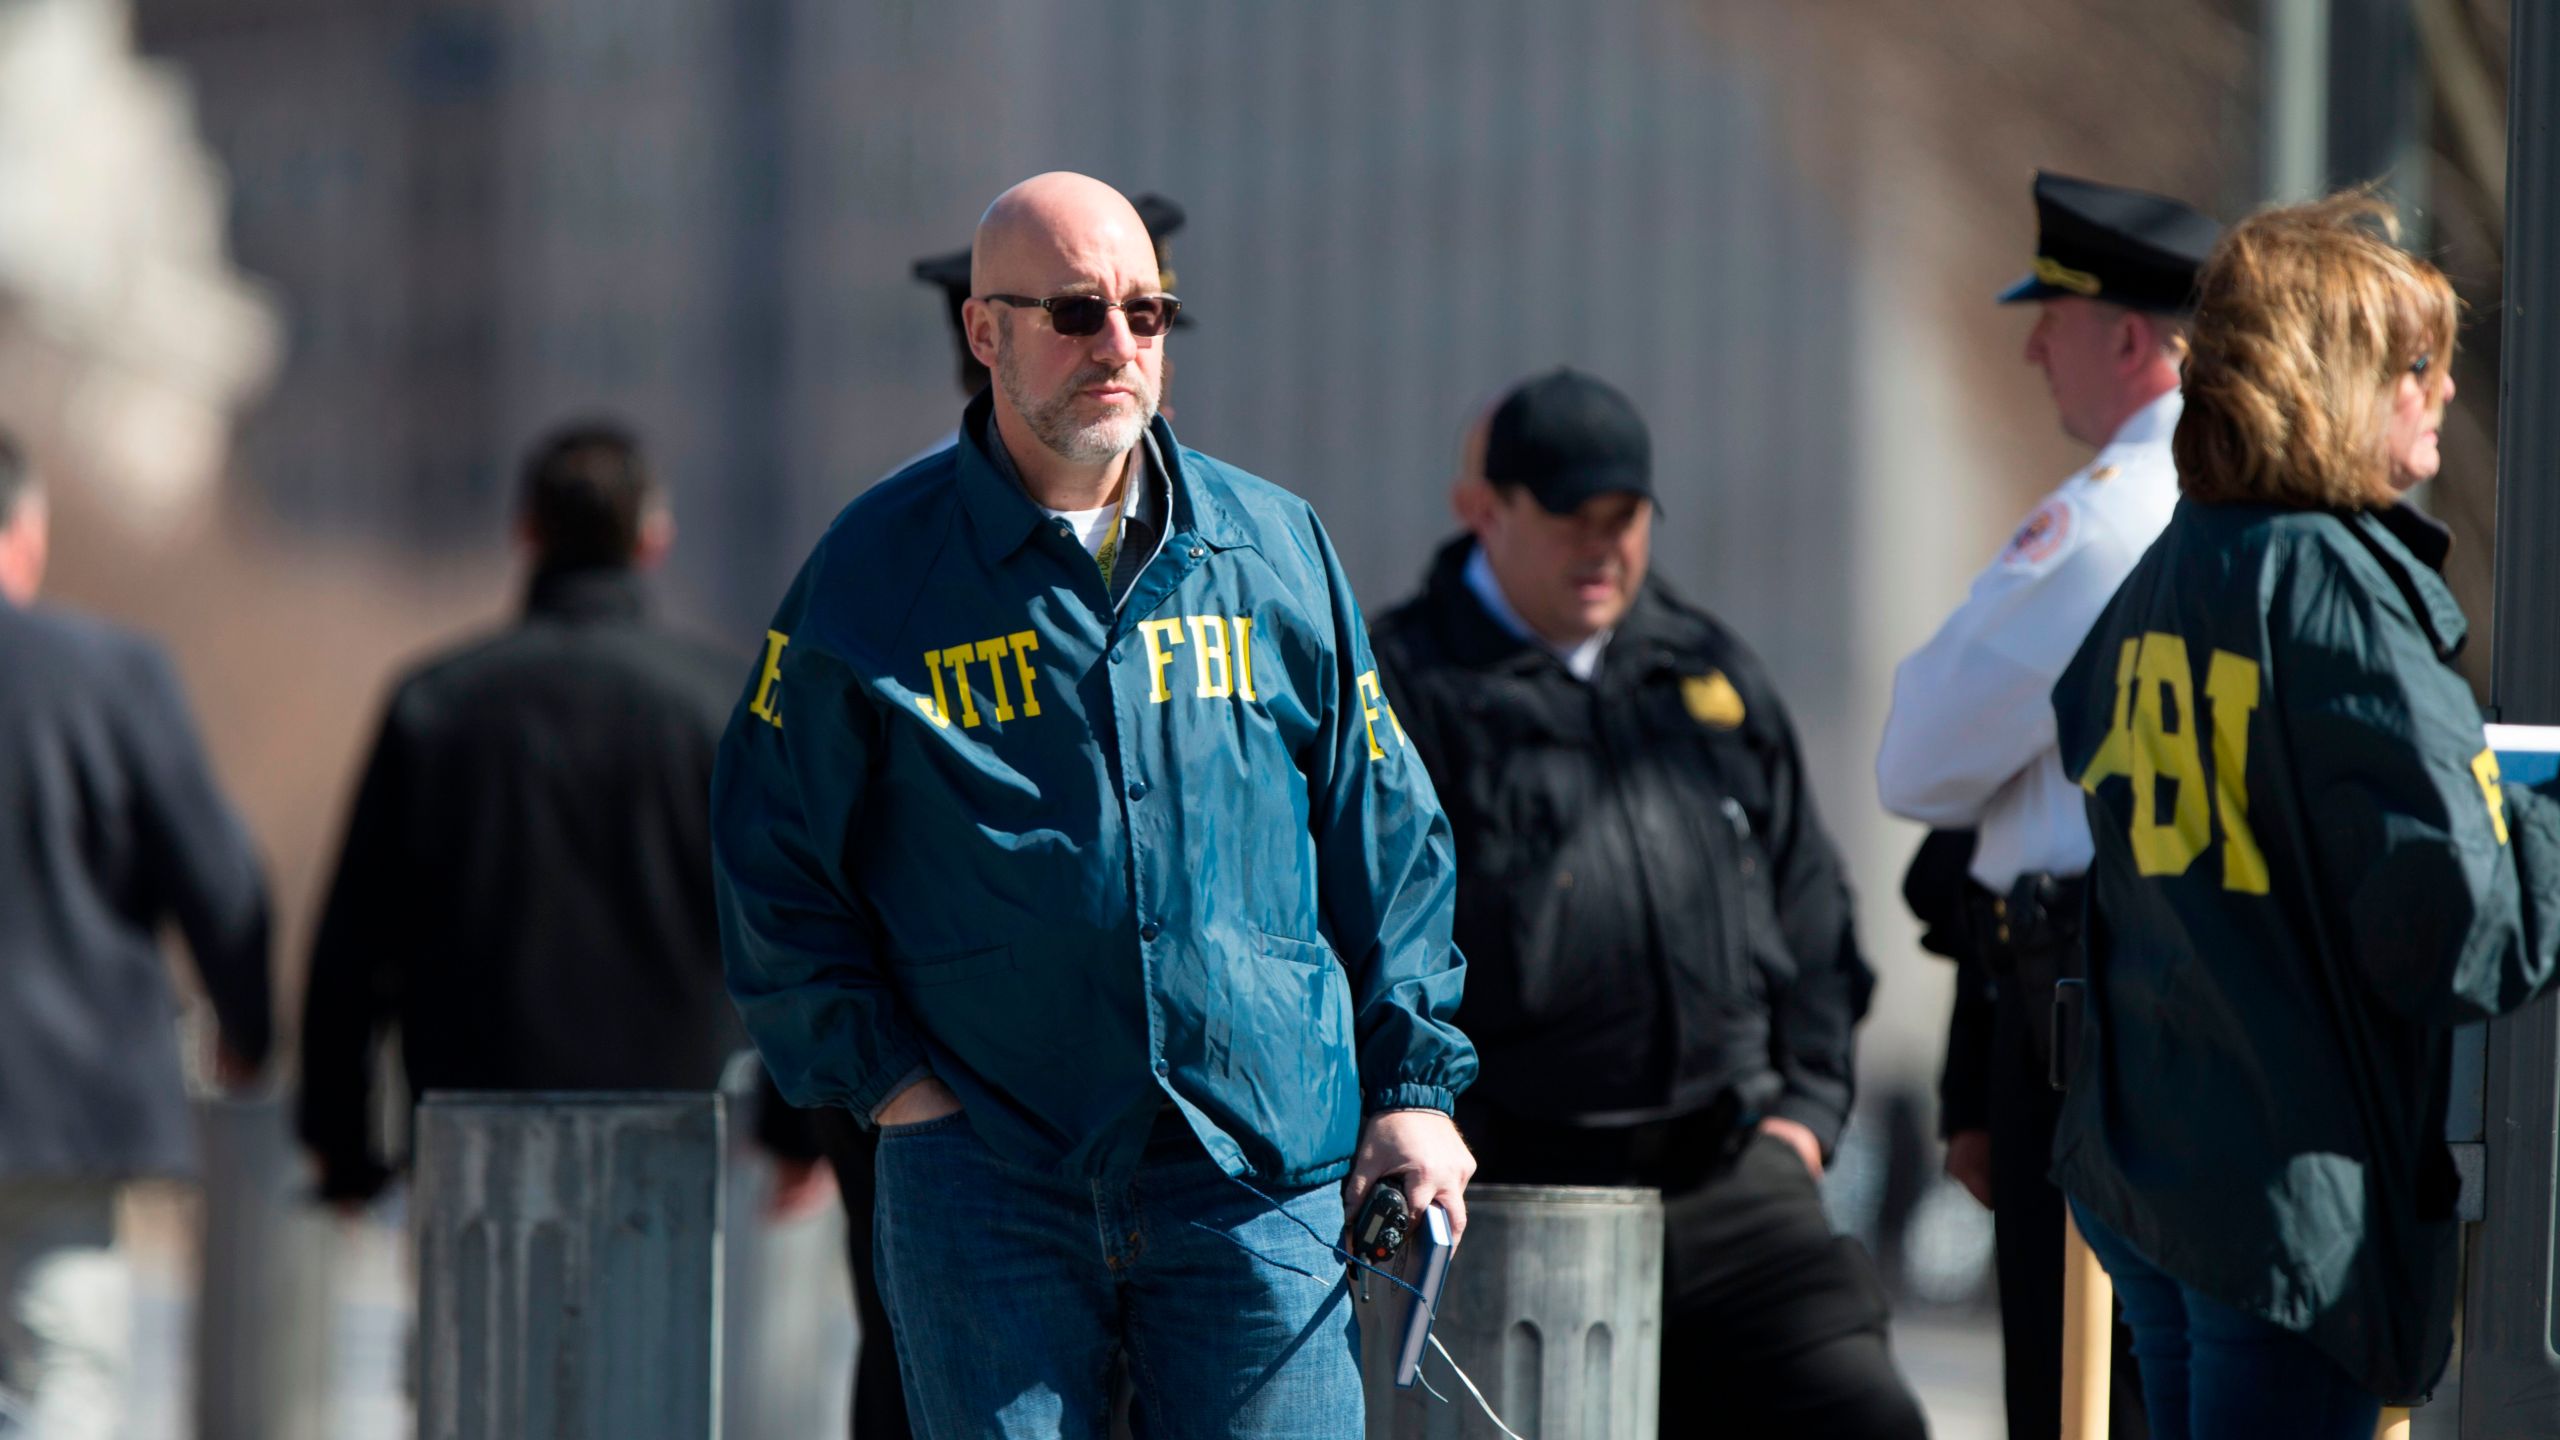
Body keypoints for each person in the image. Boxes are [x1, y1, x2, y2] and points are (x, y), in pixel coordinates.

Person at [712, 172, 1475, 1437]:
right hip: (991, 1182)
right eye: (1074, 313)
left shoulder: (1274, 549)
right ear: (983, 332)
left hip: (1256, 1176)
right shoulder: (872, 571)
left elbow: (1386, 838)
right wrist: (893, 1087)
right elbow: (766, 854)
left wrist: (1414, 1088)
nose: (1118, 346)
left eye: (1147, 312)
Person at [2051, 190, 2560, 1438]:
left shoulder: (2183, 560)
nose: (2443, 391)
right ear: (2332, 380)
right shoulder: (2331, 587)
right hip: (2279, 1208)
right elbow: (2461, 928)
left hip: (2164, 1172)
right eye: (2418, 364)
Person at [1371, 369, 1927, 1438]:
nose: (1603, 548)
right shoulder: (1403, 689)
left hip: (1727, 1173)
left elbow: (1811, 904)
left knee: (1868, 1422)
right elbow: (1366, 937)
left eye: (1622, 518)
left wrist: (1802, 1120)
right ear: (1487, 511)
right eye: (1570, 518)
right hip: (1512, 1192)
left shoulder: (1702, 671)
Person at [1878, 169, 2218, 1440]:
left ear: (2128, 339)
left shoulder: (2106, 521)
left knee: (2077, 1389)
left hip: (2075, 1000)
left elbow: (1913, 760)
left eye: (2053, 317)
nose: (2029, 347)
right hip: (2160, 1002)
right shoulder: (2247, 503)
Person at [295, 423, 827, 1213]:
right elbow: (795, 925)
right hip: (683, 1135)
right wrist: (797, 1132)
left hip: (472, 1136)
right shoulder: (726, 705)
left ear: (526, 531)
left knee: (482, 1337)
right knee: (657, 1337)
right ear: (654, 537)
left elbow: (353, 943)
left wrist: (341, 1145)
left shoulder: (434, 704)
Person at [0, 432, 271, 1438]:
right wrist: (246, 1031)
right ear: (25, 536)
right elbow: (221, 878)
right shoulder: (111, 676)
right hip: (67, 1107)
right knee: (65, 1370)